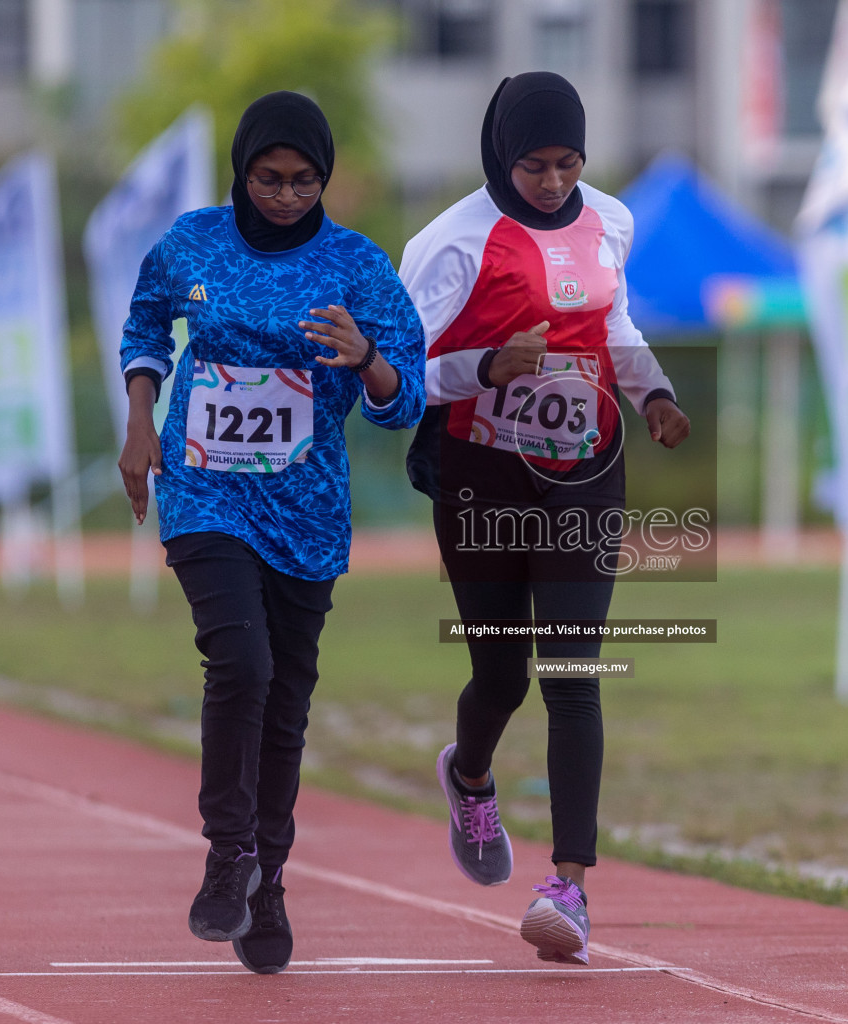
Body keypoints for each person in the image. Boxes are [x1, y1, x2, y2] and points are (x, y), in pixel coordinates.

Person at [116, 91, 425, 975]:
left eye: (304, 181)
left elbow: (406, 399)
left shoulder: (357, 267)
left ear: (325, 180)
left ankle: (270, 878)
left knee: (285, 698)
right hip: (206, 492)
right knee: (239, 664)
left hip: (307, 508)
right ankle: (227, 855)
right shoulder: (193, 242)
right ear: (241, 173)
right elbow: (145, 326)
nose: (286, 195)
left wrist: (365, 357)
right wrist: (140, 421)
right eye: (269, 178)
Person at [399, 72, 689, 966]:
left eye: (569, 163)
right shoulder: (449, 244)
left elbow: (618, 324)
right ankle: (472, 774)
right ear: (501, 154)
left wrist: (656, 395)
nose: (555, 182)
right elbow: (398, 377)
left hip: (585, 471)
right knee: (501, 677)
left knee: (571, 670)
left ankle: (569, 887)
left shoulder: (612, 220)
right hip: (482, 474)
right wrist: (488, 366)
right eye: (535, 166)